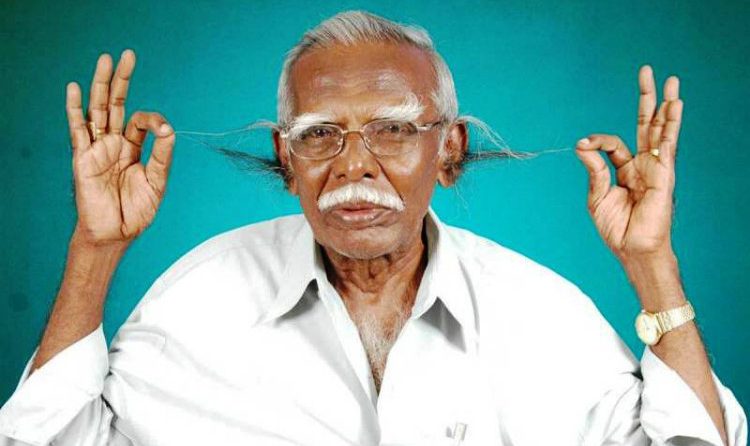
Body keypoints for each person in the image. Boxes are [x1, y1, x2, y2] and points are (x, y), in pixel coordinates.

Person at [0, 10, 746, 446]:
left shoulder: (542, 315)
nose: (354, 166)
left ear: (449, 150)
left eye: (393, 130)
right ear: (285, 158)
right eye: (320, 134)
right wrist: (96, 249)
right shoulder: (200, 297)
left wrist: (651, 263)